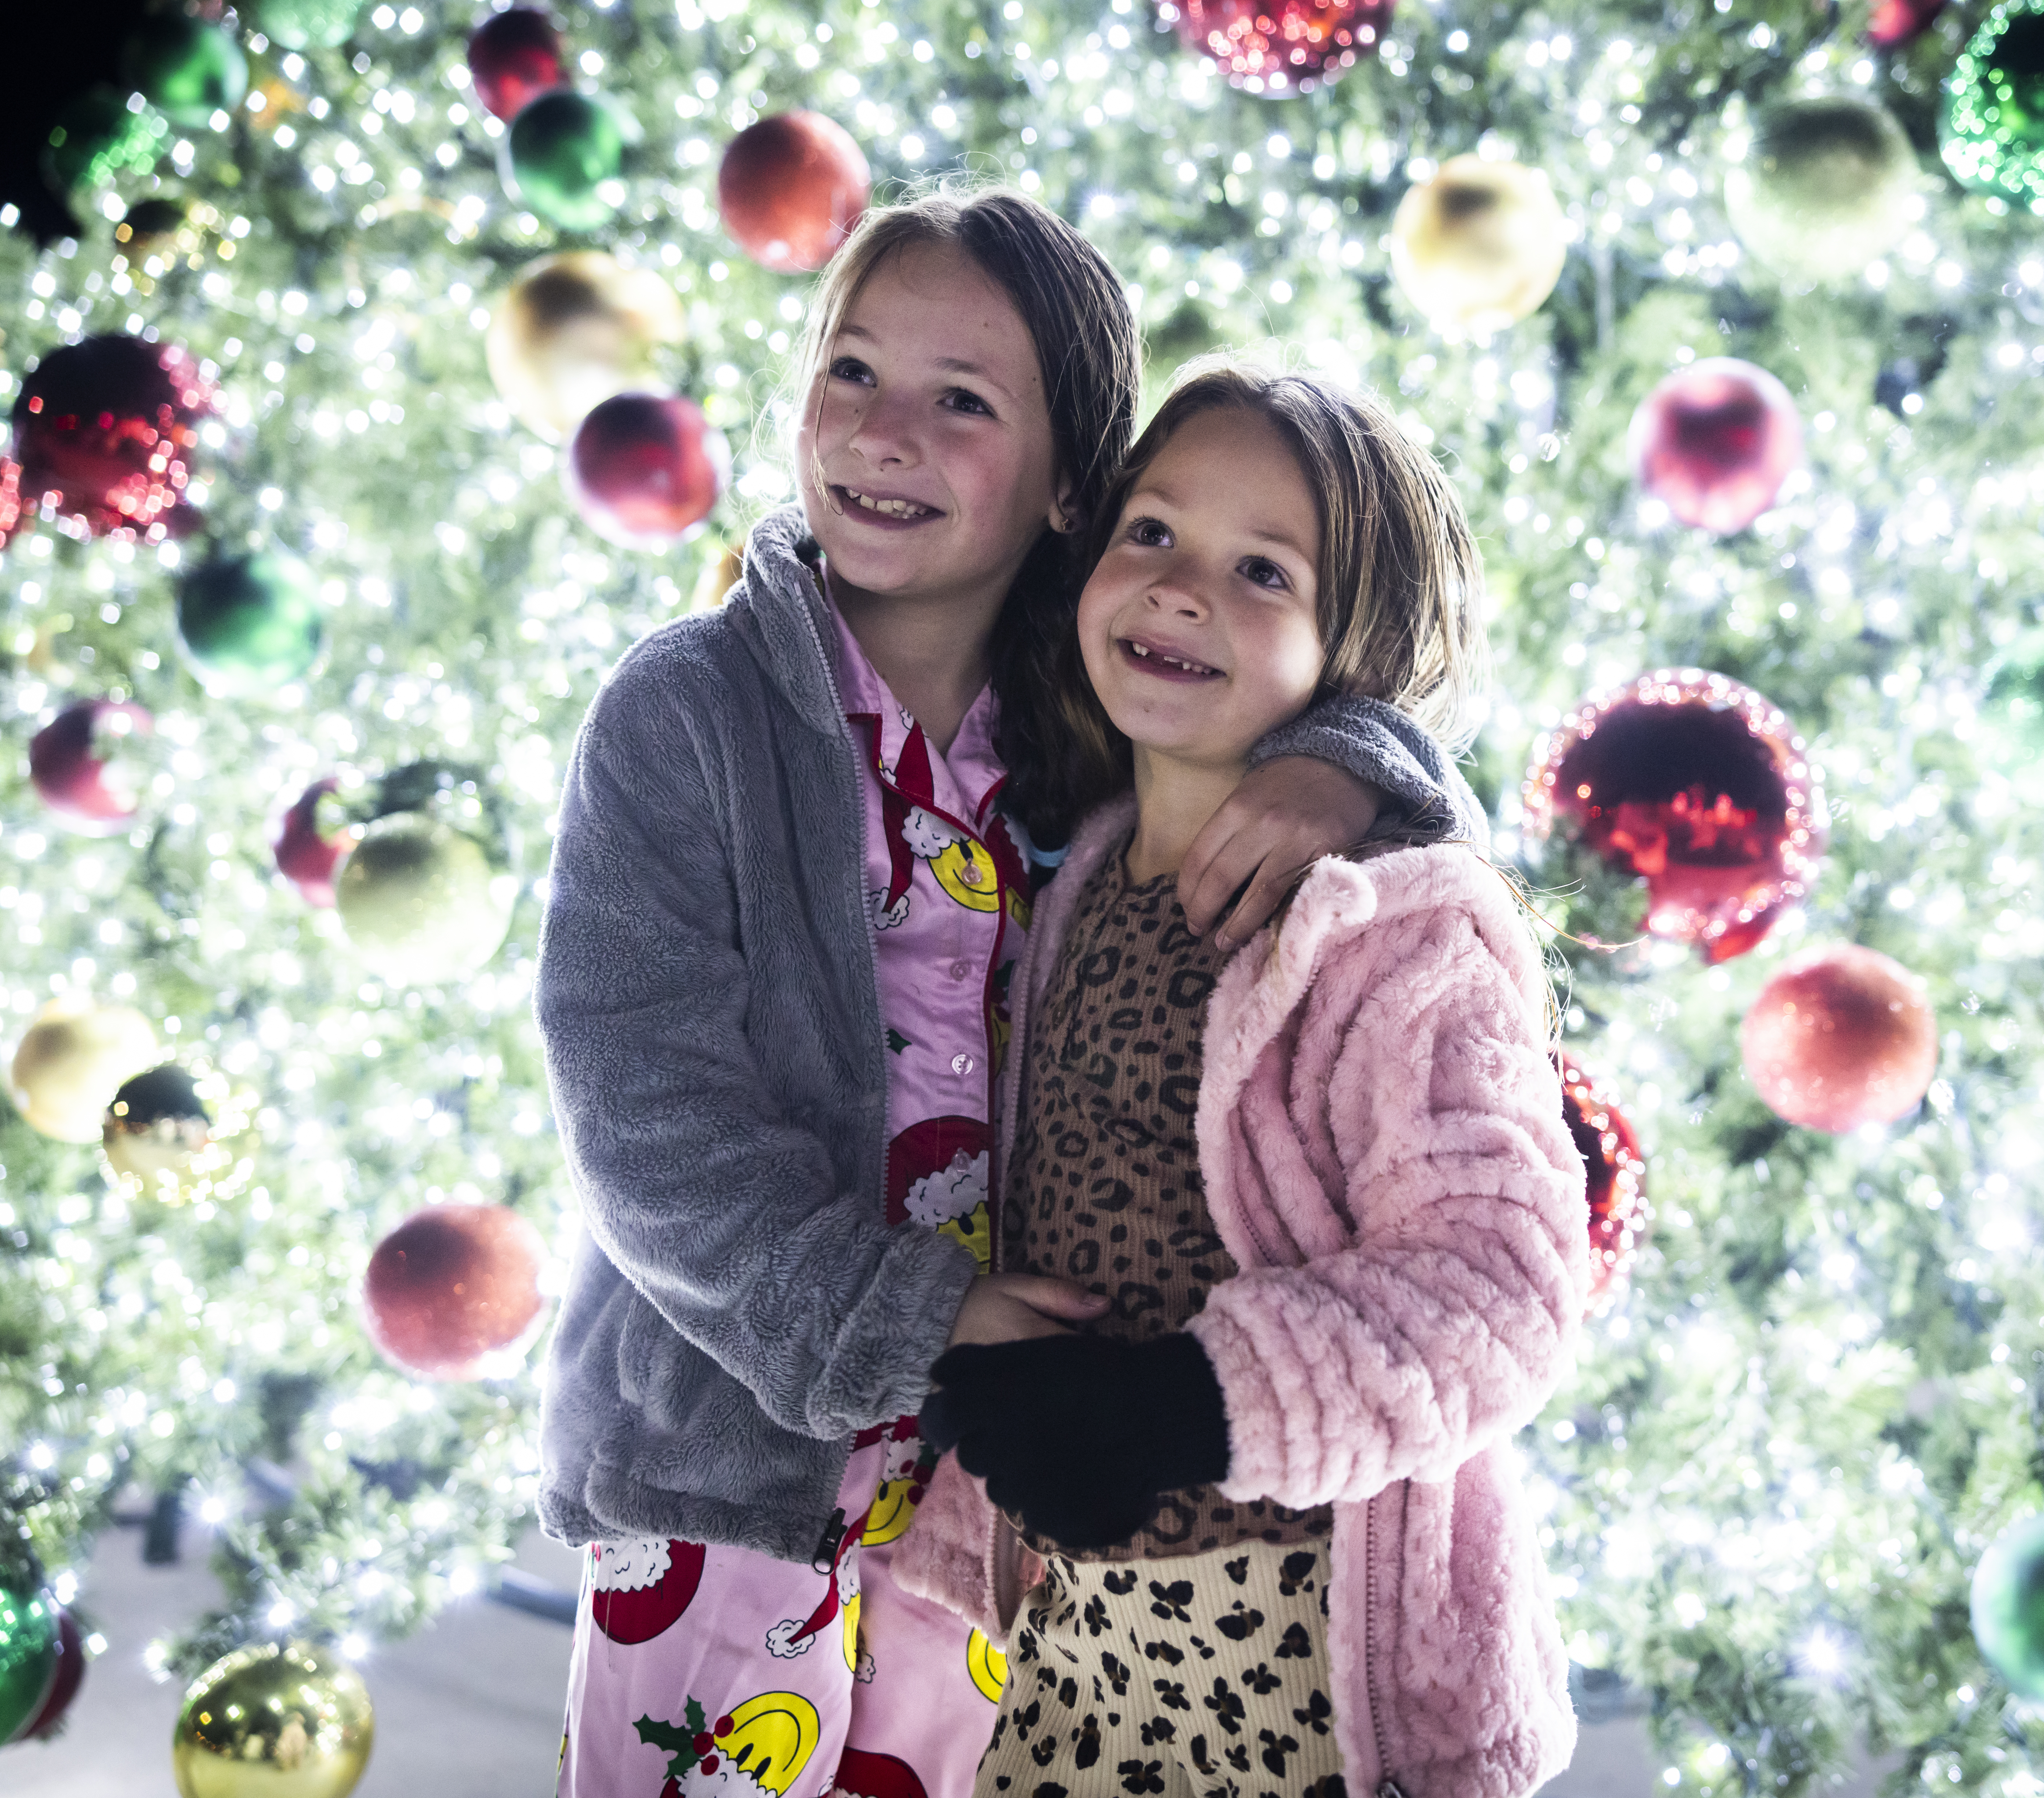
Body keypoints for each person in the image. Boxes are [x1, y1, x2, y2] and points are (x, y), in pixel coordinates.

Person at [533, 192, 1483, 1798]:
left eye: (961, 399)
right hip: (727, 1476)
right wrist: (900, 1314)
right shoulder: (686, 712)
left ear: (1069, 486)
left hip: (991, 1506)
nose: (882, 431)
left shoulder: (1104, 728)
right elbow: (639, 1107)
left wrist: (1350, 764)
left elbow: (1348, 689)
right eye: (851, 371)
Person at [909, 363, 1587, 1798]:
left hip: (1304, 1655)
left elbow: (1505, 1286)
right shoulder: (1081, 865)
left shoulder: (1392, 925)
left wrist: (1181, 1405)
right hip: (1080, 1646)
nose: (1178, 587)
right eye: (1151, 532)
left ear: (1357, 646)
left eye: (1261, 569)